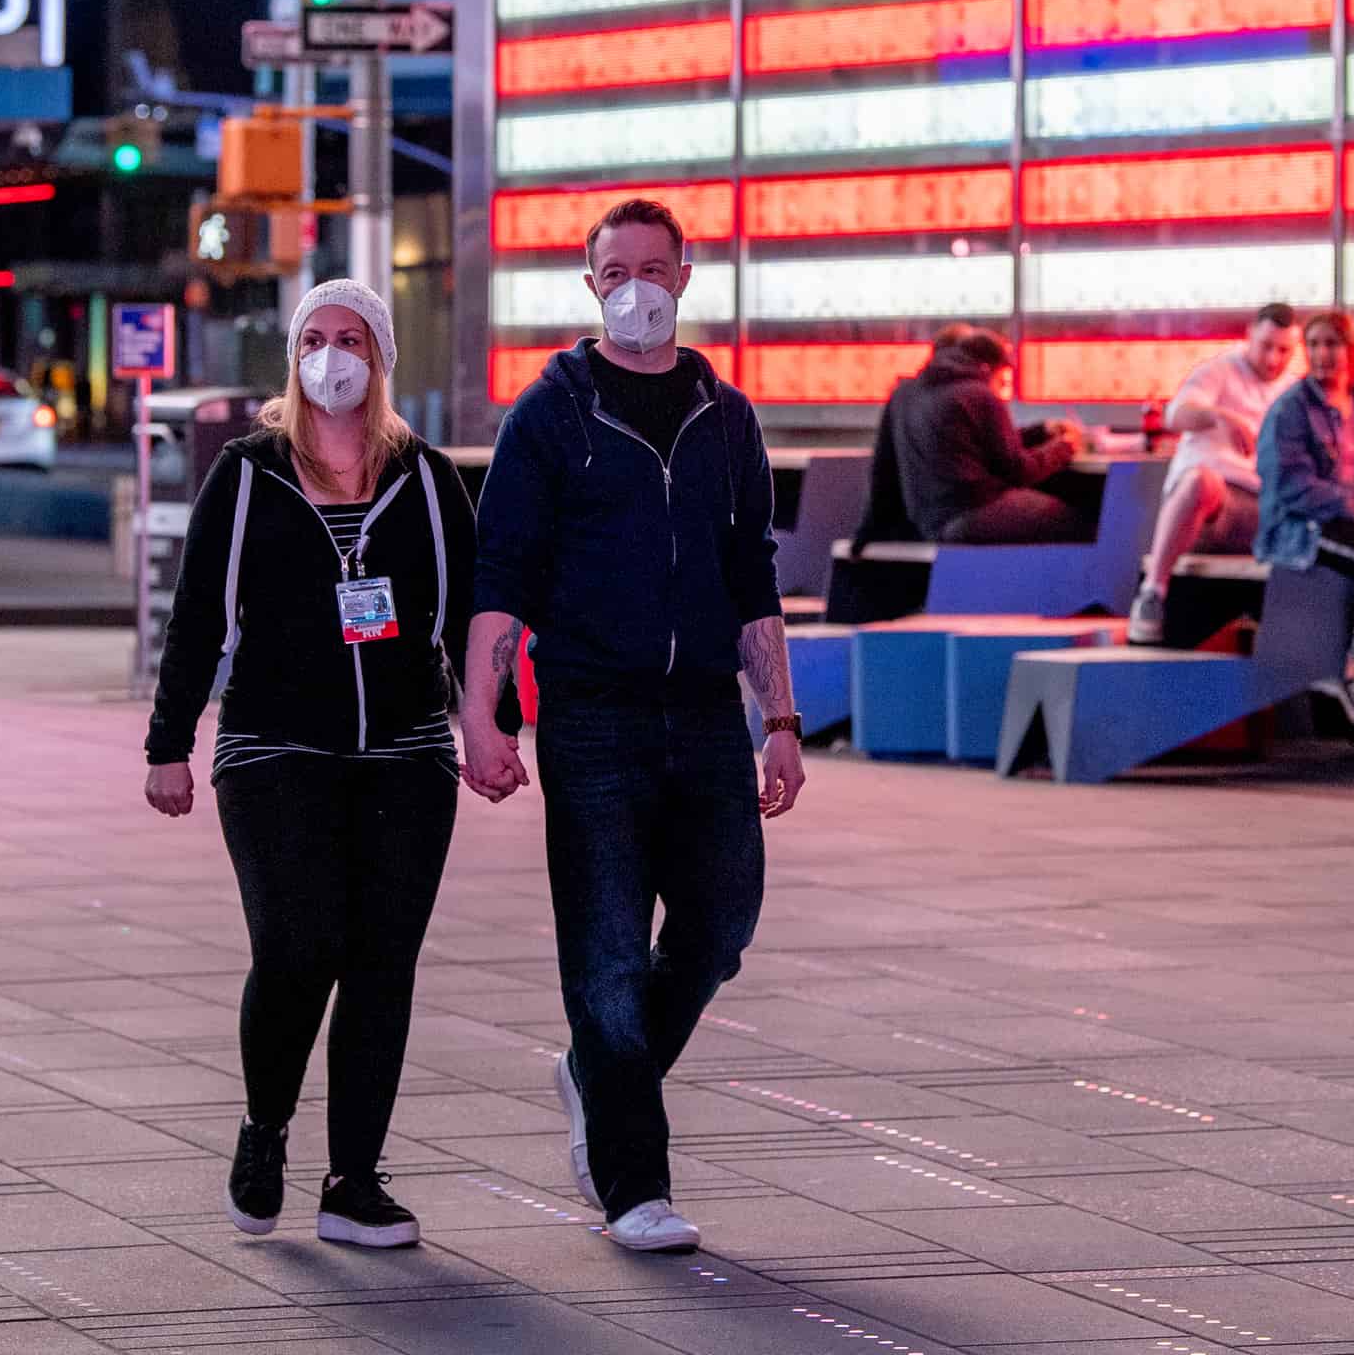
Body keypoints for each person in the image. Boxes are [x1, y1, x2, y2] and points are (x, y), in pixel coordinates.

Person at [461, 197, 808, 1257]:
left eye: (657, 268)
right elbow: (501, 572)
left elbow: (753, 574)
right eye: (618, 270)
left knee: (720, 923)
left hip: (706, 710)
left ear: (688, 277)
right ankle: (633, 1184)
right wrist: (481, 712)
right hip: (594, 714)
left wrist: (781, 718)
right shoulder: (551, 412)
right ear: (591, 284)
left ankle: (597, 1074)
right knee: (608, 955)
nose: (638, 287)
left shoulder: (726, 414)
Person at [142, 280, 473, 1251]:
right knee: (299, 940)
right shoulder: (249, 472)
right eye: (317, 338)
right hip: (274, 746)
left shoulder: (427, 475)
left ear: (382, 356)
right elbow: (200, 611)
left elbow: (471, 611)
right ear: (294, 356)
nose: (333, 356)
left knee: (382, 961)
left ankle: (354, 1178)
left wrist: (489, 724)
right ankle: (265, 1128)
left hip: (408, 752)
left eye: (353, 339)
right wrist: (170, 743)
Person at [1257, 308, 1354, 733]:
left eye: (1332, 344)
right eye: (1314, 345)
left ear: (1351, 349)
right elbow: (1292, 486)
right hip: (1302, 523)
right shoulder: (1290, 410)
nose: (1322, 354)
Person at [1127, 303, 1297, 644]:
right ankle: (1153, 593)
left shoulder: (1293, 389)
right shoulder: (1219, 370)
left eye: (1284, 351)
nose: (1273, 360)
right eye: (1266, 346)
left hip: (1268, 511)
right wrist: (1222, 417)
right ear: (1249, 335)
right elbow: (1175, 416)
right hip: (1213, 508)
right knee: (1200, 481)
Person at [856, 325, 1093, 546]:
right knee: (1081, 522)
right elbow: (1018, 471)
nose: (1001, 389)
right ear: (990, 367)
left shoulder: (905, 393)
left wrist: (1041, 431)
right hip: (970, 513)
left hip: (925, 520)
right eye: (1002, 381)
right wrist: (1065, 447)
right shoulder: (979, 394)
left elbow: (882, 471)